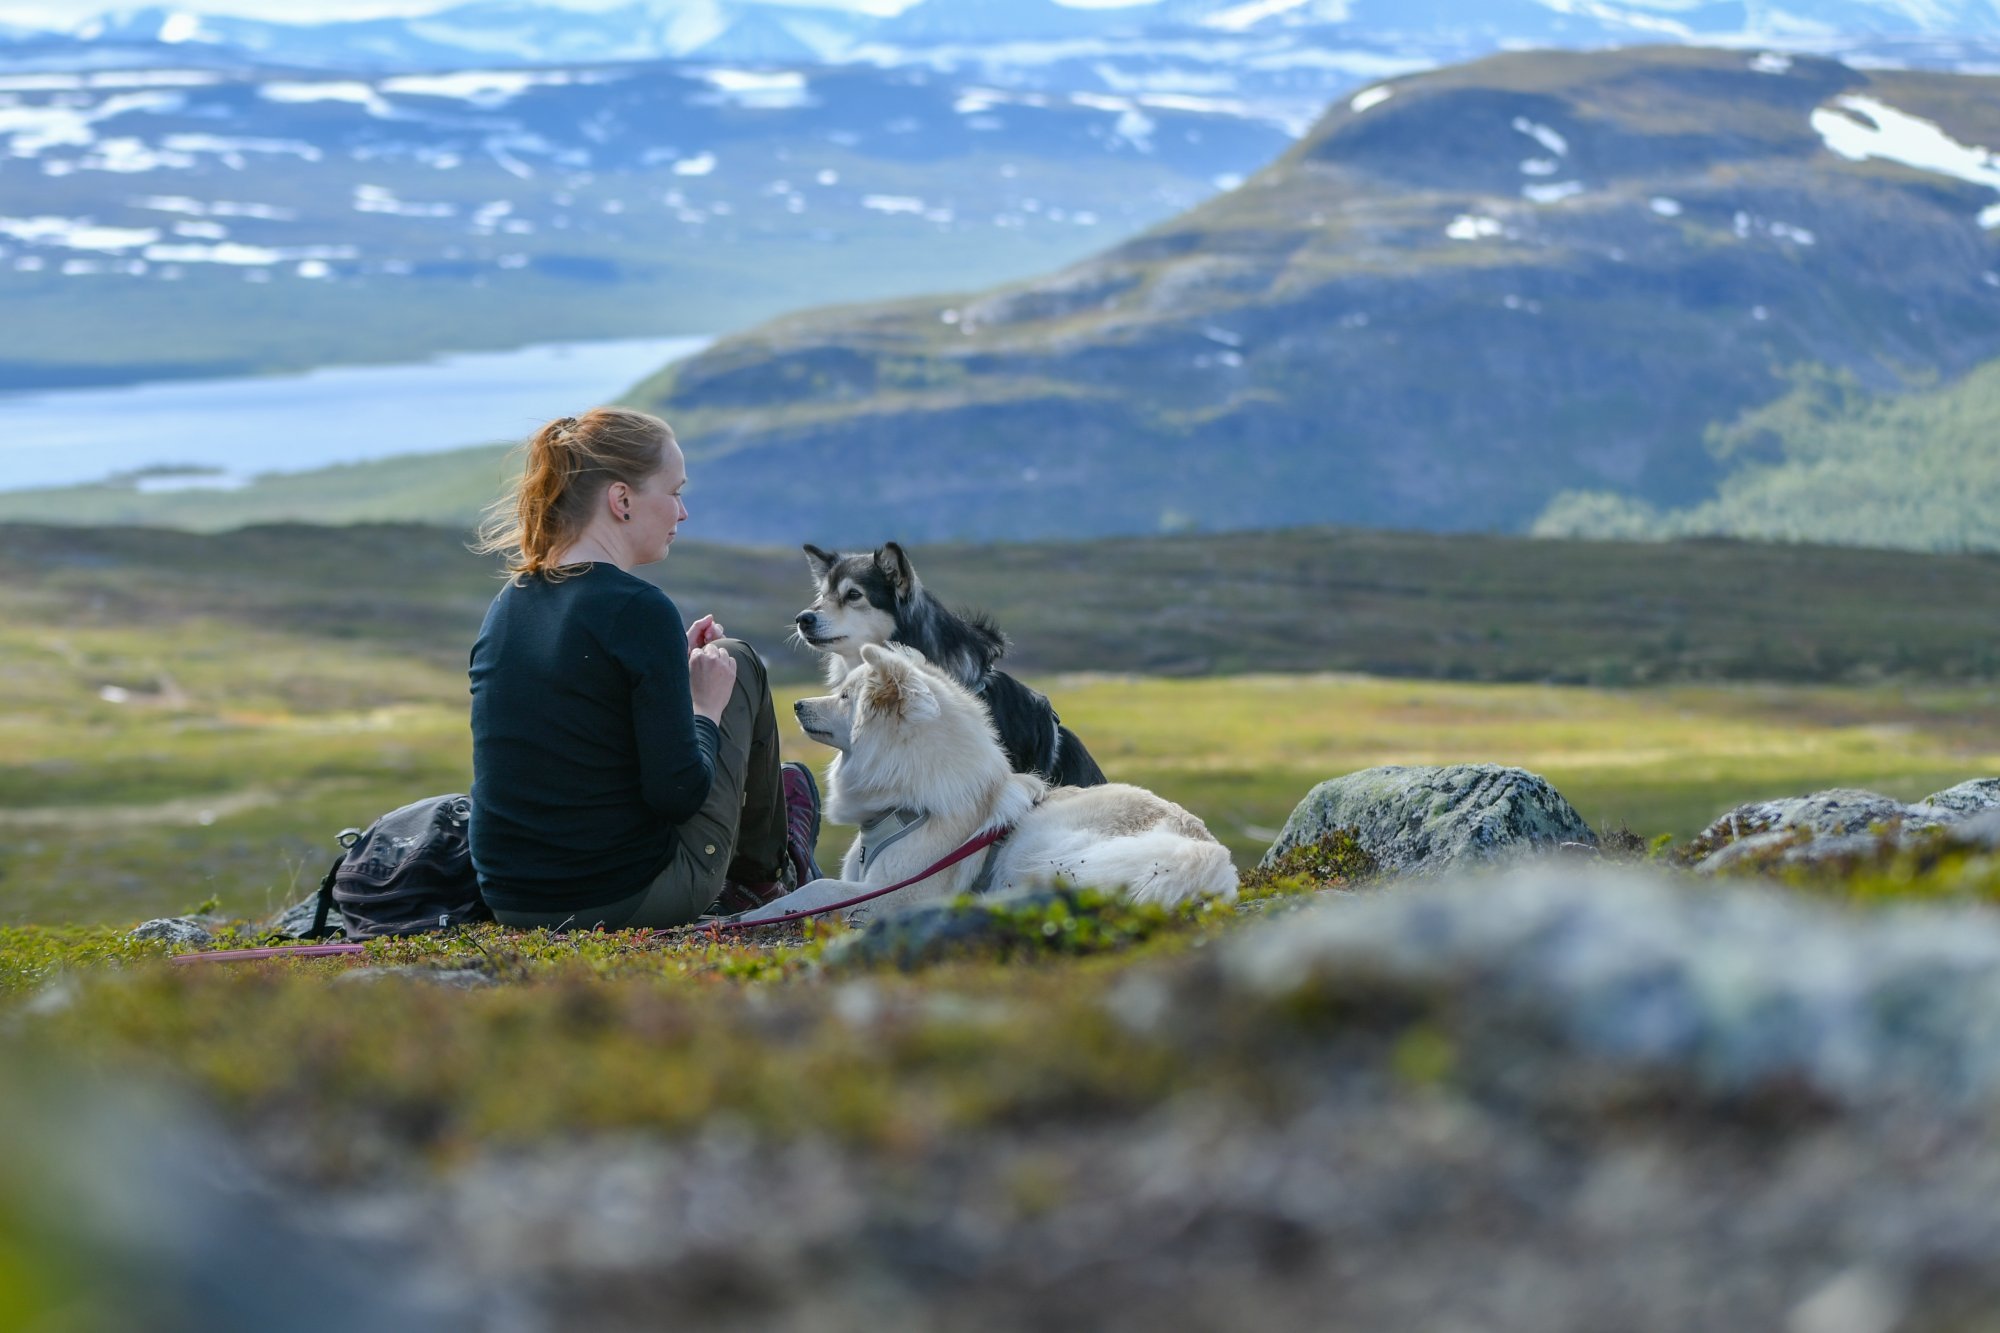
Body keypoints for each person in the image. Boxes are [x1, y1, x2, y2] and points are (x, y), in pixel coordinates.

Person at [467, 406, 821, 930]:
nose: (682, 513)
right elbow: (676, 795)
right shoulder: (637, 606)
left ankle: (760, 868)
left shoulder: (511, 600)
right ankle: (759, 875)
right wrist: (703, 705)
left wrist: (668, 672)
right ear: (622, 499)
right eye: (675, 492)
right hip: (621, 901)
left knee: (705, 670)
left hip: (513, 899)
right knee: (737, 663)